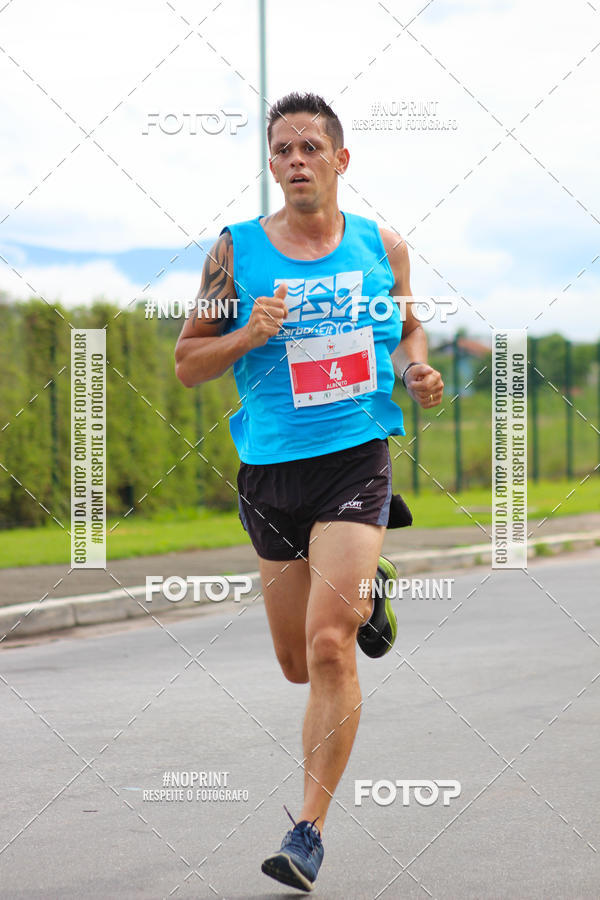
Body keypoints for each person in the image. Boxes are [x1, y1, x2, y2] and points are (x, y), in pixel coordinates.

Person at [175, 91, 443, 893]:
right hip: (270, 471)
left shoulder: (380, 246)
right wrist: (248, 336)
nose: (296, 161)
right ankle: (372, 596)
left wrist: (415, 368)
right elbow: (189, 361)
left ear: (340, 160)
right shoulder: (236, 253)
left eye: (310, 148)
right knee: (296, 663)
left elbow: (406, 328)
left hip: (356, 458)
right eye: (283, 149)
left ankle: (308, 832)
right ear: (271, 164)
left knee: (331, 645)